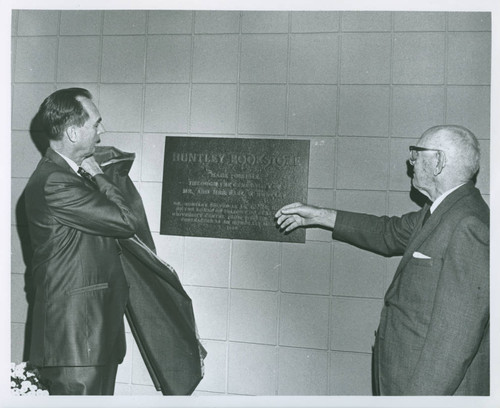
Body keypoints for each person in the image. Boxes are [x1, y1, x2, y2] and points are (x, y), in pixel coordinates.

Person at [275, 125, 489, 396]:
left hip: (422, 388)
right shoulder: (442, 211)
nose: (411, 161)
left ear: (439, 162)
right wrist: (318, 215)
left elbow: (455, 339)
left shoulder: (469, 224)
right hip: (403, 375)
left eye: (416, 153)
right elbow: (387, 232)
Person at [24, 88, 139, 395]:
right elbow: (127, 221)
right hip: (75, 342)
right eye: (96, 123)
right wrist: (100, 174)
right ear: (74, 133)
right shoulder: (55, 181)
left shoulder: (68, 176)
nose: (102, 132)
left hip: (88, 338)